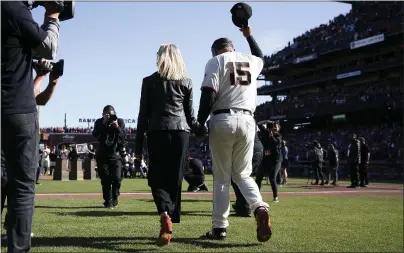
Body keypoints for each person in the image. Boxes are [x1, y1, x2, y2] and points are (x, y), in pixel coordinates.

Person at [195, 26, 271, 242]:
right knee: (243, 175)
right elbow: (260, 56)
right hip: (248, 121)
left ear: (216, 51)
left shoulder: (216, 61)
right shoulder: (249, 59)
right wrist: (248, 33)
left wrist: (200, 122)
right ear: (232, 47)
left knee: (221, 178)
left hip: (223, 118)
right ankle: (259, 208)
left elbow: (208, 93)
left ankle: (219, 228)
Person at [2, 1, 62, 250]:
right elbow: (48, 48)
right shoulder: (13, 8)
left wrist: (38, 73)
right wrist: (53, 16)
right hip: (15, 106)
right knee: (23, 186)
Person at [134, 44, 201, 247]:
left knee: (156, 178)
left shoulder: (149, 82)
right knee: (175, 179)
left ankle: (164, 213)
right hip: (181, 133)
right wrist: (206, 129)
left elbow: (142, 116)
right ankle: (169, 217)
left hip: (157, 132)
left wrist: (137, 149)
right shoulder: (186, 82)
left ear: (160, 58)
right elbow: (191, 118)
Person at [92, 105, 127, 209]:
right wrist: (103, 124)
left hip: (116, 155)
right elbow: (95, 135)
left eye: (111, 114)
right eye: (106, 114)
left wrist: (117, 128)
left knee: (117, 178)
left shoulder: (119, 122)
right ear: (102, 115)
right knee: (105, 180)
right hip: (102, 155)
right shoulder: (99, 122)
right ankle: (108, 201)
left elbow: (123, 137)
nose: (109, 117)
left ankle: (115, 197)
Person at [231, 129, 263, 217]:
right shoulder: (247, 118)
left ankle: (245, 207)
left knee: (240, 177)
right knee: (241, 177)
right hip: (255, 148)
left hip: (248, 149)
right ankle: (242, 205)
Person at [256, 121, 282, 203]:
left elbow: (276, 143)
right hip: (266, 159)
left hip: (276, 161)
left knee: (272, 177)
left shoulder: (278, 136)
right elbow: (259, 124)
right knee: (258, 177)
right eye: (273, 126)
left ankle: (275, 197)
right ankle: (256, 196)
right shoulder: (265, 132)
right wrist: (267, 121)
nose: (274, 128)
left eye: (276, 127)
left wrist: (271, 136)